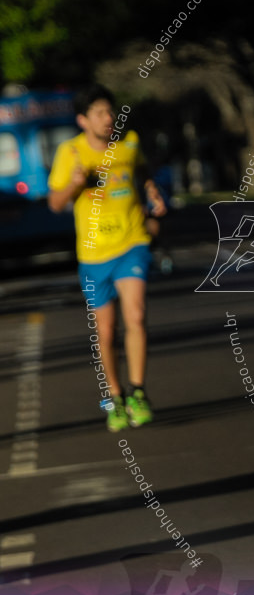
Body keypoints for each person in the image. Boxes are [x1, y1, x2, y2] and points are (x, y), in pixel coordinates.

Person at [48, 84, 166, 432]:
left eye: (110, 111)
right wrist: (74, 185)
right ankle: (114, 399)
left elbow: (142, 173)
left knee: (137, 313)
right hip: (93, 252)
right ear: (83, 120)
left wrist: (151, 190)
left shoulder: (128, 144)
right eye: (99, 113)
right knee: (105, 330)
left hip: (132, 241)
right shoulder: (70, 152)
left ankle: (139, 392)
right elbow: (55, 204)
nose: (108, 118)